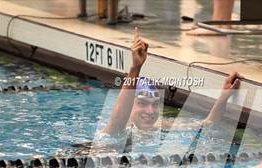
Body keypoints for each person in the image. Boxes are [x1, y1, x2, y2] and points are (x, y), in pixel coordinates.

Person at [102, 27, 242, 136]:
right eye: (142, 103)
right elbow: (117, 122)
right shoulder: (118, 130)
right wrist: (136, 67)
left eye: (155, 104)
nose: (150, 111)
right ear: (129, 105)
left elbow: (208, 123)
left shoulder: (160, 127)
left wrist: (223, 97)